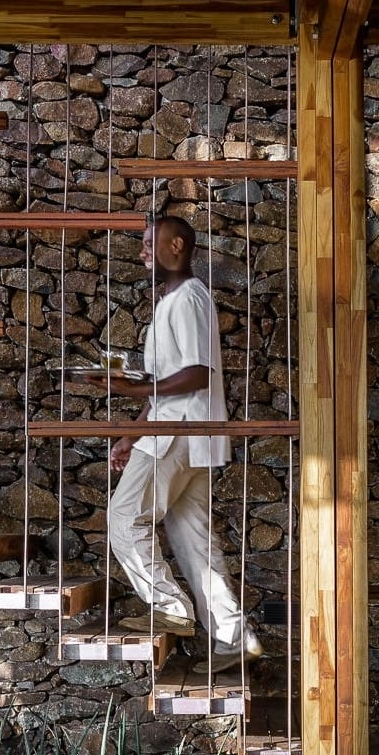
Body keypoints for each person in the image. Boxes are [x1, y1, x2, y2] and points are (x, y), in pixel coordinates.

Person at [103, 215, 262, 668]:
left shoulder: (189, 298)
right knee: (192, 540)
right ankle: (234, 636)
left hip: (178, 433)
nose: (141, 251)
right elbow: (164, 382)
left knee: (124, 518)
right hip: (177, 433)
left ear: (176, 245)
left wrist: (133, 391)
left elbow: (197, 373)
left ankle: (170, 610)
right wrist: (133, 433)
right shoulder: (171, 300)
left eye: (149, 242)